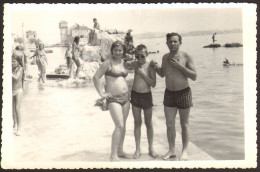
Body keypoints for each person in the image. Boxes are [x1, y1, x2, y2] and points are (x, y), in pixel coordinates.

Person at [151, 32, 197, 161]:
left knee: (184, 124)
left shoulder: (186, 56)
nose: (172, 43)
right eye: (170, 41)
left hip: (184, 92)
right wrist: (155, 67)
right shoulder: (165, 57)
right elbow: (163, 74)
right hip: (169, 93)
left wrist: (180, 66)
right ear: (166, 43)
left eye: (175, 41)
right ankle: (171, 150)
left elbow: (194, 76)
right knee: (169, 123)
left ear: (180, 43)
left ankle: (185, 151)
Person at [93, 41, 131, 161]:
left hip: (126, 97)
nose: (118, 52)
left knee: (123, 125)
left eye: (120, 50)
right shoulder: (107, 63)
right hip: (114, 99)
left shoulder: (123, 62)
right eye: (115, 50)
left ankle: (120, 150)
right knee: (119, 125)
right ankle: (113, 155)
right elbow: (95, 77)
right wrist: (102, 94)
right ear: (112, 51)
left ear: (123, 51)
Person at [125, 44, 157, 159]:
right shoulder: (135, 63)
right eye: (137, 56)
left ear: (147, 54)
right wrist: (129, 63)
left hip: (147, 96)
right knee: (137, 123)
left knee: (148, 123)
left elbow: (153, 84)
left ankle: (151, 148)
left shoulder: (150, 65)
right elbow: (125, 64)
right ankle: (138, 149)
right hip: (135, 95)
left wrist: (142, 74)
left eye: (142, 56)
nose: (140, 59)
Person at [12, 56, 24, 136]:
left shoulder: (20, 68)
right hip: (11, 90)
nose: (13, 63)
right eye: (12, 62)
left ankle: (19, 128)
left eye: (14, 62)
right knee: (12, 109)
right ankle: (15, 124)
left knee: (17, 109)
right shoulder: (12, 68)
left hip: (18, 90)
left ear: (19, 62)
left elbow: (16, 78)